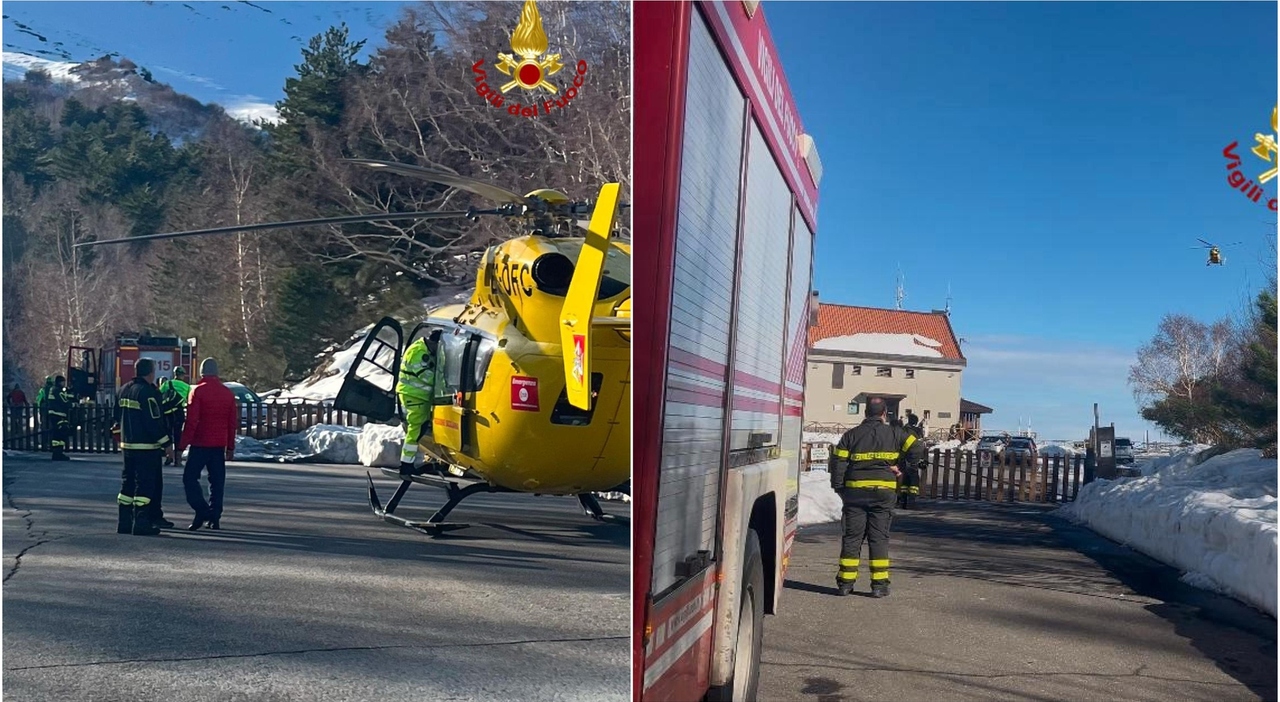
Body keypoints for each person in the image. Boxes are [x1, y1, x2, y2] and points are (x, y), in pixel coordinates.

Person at [829, 396, 924, 597]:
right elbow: (917, 447)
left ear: (865, 414)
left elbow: (838, 463)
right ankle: (879, 585)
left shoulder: (850, 436)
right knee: (878, 538)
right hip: (883, 493)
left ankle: (845, 583)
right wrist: (902, 467)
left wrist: (839, 488)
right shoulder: (896, 433)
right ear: (884, 414)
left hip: (854, 493)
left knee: (852, 538)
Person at [113, 359, 174, 536]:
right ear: (150, 372)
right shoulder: (148, 393)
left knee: (127, 484)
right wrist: (167, 444)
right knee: (145, 486)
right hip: (146, 448)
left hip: (127, 447)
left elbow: (116, 418)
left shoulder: (123, 390)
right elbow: (154, 422)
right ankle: (141, 523)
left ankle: (124, 522)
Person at [178, 358, 237, 531]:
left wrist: (182, 445)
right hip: (218, 445)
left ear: (202, 373)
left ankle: (201, 510)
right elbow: (232, 423)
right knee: (217, 482)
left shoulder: (197, 392)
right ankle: (215, 516)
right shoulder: (227, 393)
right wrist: (230, 447)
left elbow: (191, 421)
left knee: (189, 478)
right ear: (217, 373)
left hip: (200, 443)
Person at [397, 331, 443, 478]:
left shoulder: (421, 348)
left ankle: (408, 463)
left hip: (418, 396)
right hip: (414, 396)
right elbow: (426, 376)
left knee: (420, 427)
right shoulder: (418, 353)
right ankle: (406, 465)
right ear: (434, 343)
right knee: (416, 428)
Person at [159, 367, 191, 466]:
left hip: (167, 412)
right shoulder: (187, 387)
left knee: (168, 434)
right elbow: (189, 401)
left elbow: (159, 395)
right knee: (178, 435)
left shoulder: (167, 384)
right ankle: (178, 459)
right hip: (179, 413)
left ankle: (169, 456)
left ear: (174, 374)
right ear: (183, 375)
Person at [898, 413, 925, 509]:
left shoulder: (905, 430)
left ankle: (903, 501)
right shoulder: (917, 431)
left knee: (905, 479)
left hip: (904, 457)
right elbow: (920, 445)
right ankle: (911, 501)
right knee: (914, 480)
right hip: (914, 457)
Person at [44, 376, 74, 461]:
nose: (64, 384)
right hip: (58, 414)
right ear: (59, 382)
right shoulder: (57, 390)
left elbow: (65, 396)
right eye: (62, 382)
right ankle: (58, 453)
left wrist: (70, 394)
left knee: (58, 433)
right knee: (60, 433)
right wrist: (73, 404)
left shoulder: (54, 390)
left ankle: (57, 452)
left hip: (55, 414)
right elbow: (64, 401)